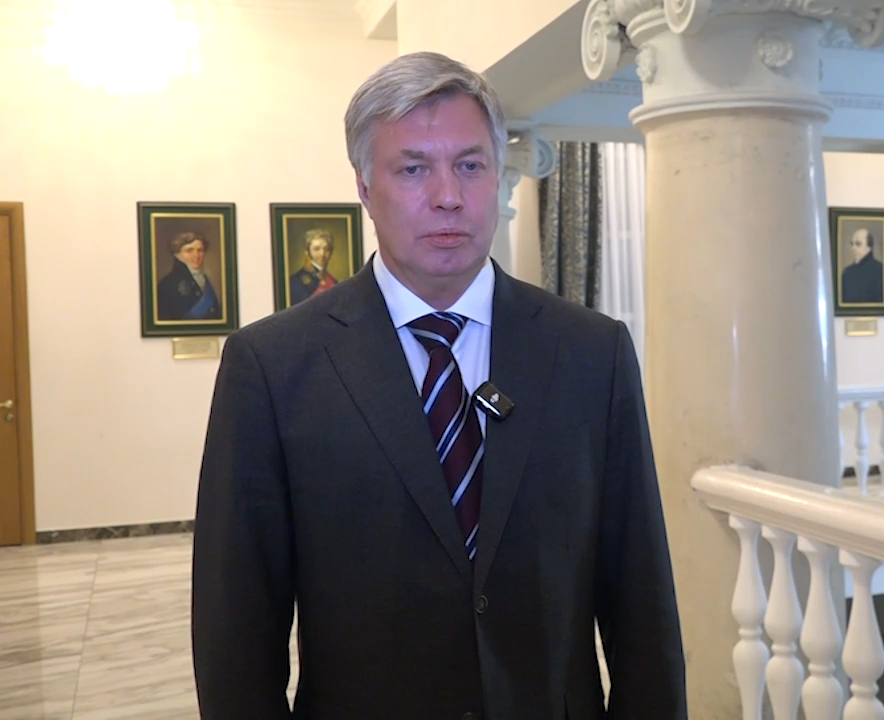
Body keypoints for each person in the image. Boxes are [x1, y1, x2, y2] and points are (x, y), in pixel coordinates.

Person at [190, 51, 687, 719]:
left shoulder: (592, 354)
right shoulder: (273, 366)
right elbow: (236, 632)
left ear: (497, 174)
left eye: (471, 165)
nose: (448, 195)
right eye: (414, 168)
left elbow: (641, 600)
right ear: (365, 187)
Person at [156, 231, 221, 321]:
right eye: (189, 251)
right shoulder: (167, 284)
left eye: (200, 250)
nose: (196, 255)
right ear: (177, 254)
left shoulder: (204, 279)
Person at [288, 227, 339, 305]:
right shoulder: (295, 281)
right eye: (316, 249)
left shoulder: (334, 282)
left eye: (326, 249)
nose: (322, 254)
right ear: (307, 252)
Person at [840, 226, 884, 305]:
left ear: (869, 247)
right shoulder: (847, 272)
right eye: (852, 244)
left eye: (858, 244)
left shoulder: (880, 270)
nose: (853, 248)